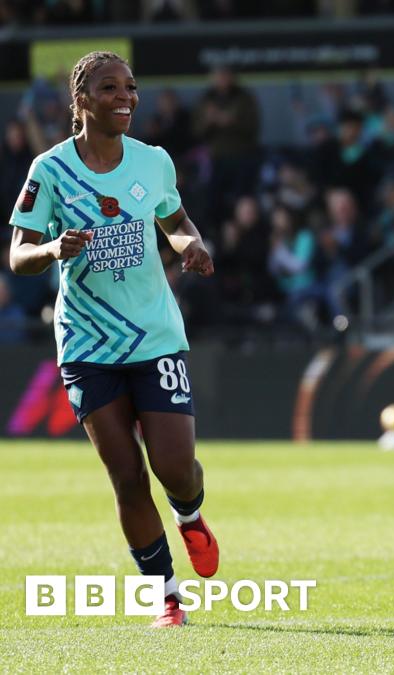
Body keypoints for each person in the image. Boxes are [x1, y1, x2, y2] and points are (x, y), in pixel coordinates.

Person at [7, 51, 219, 628]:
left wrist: (189, 246)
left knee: (175, 467)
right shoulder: (48, 171)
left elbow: (176, 222)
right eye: (109, 88)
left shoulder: (153, 163)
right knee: (127, 477)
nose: (124, 97)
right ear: (81, 101)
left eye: (129, 87)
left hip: (154, 332)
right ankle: (167, 597)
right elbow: (18, 253)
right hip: (87, 344)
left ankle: (190, 514)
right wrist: (51, 249)